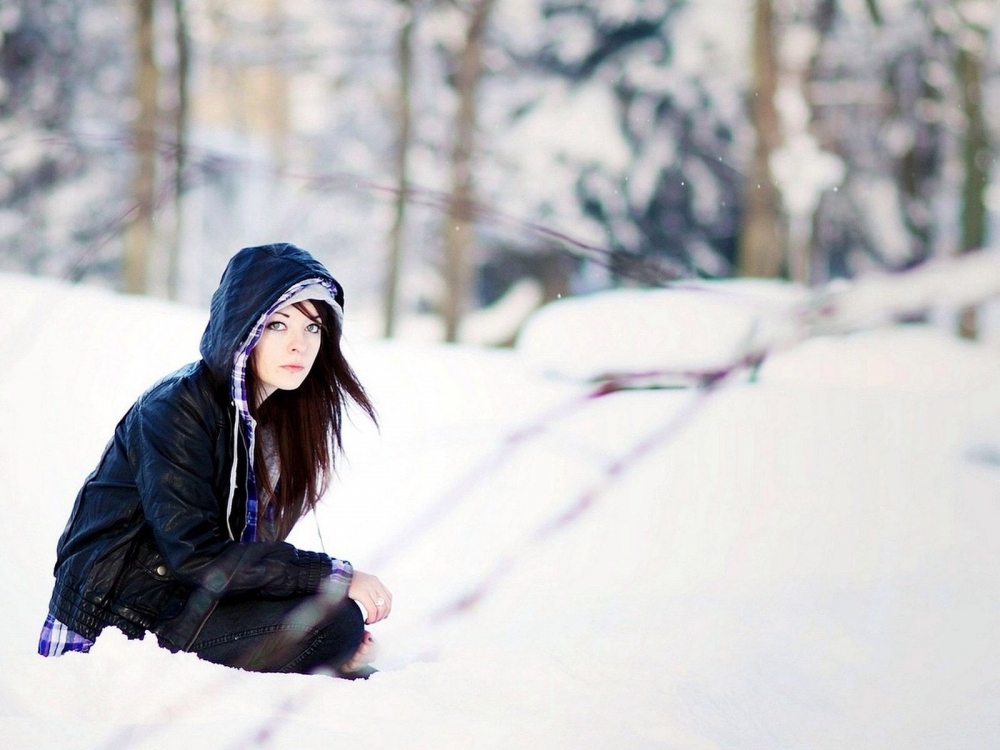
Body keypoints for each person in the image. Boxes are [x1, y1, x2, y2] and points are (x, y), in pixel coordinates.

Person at [38, 242, 391, 678]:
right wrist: (332, 576)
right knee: (334, 622)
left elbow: (248, 557)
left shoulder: (275, 419)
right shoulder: (176, 409)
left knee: (333, 620)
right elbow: (199, 558)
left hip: (188, 600)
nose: (299, 345)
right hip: (123, 622)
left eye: (313, 328)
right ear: (241, 328)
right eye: (278, 324)